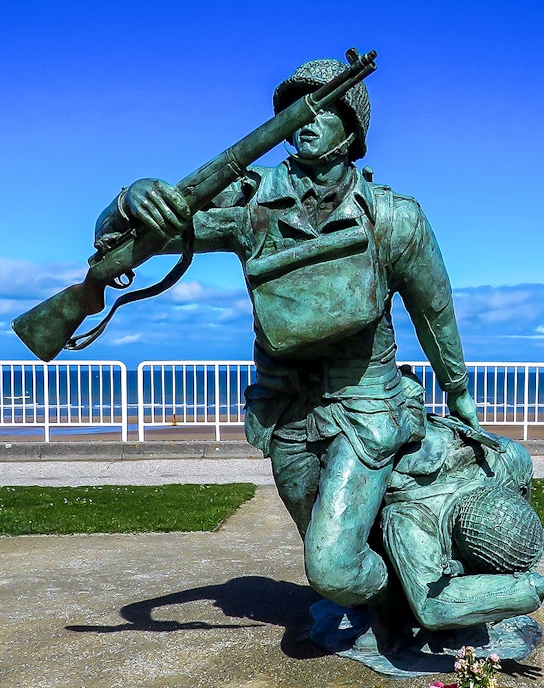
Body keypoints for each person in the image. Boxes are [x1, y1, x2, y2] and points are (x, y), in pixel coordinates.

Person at [94, 58, 480, 611]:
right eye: (294, 111)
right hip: (286, 410)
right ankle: (394, 604)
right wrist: (128, 199)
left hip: (365, 406)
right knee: (331, 555)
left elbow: (435, 312)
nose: (303, 122)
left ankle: (412, 601)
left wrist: (459, 391)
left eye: (320, 110)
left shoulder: (393, 217)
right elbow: (130, 241)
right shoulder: (251, 202)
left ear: (352, 130)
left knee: (332, 568)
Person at [380, 377, 544, 633]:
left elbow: (431, 606)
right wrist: (541, 584)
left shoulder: (408, 520)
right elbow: (433, 606)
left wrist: (538, 584)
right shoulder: (508, 460)